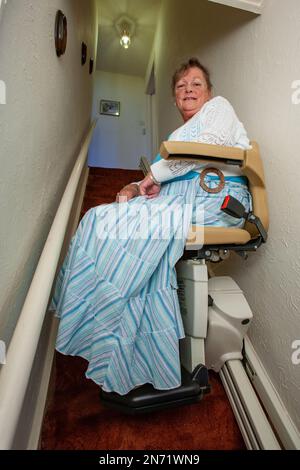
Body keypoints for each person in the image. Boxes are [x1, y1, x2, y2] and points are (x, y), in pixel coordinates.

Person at [52, 58, 251, 396]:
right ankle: (125, 346)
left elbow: (209, 147)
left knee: (117, 229)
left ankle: (120, 338)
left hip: (215, 199)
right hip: (178, 200)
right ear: (174, 99)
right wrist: (133, 186)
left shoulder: (218, 109)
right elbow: (158, 176)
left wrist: (154, 177)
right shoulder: (174, 136)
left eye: (196, 83)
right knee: (98, 218)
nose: (187, 88)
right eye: (180, 86)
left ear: (209, 92)